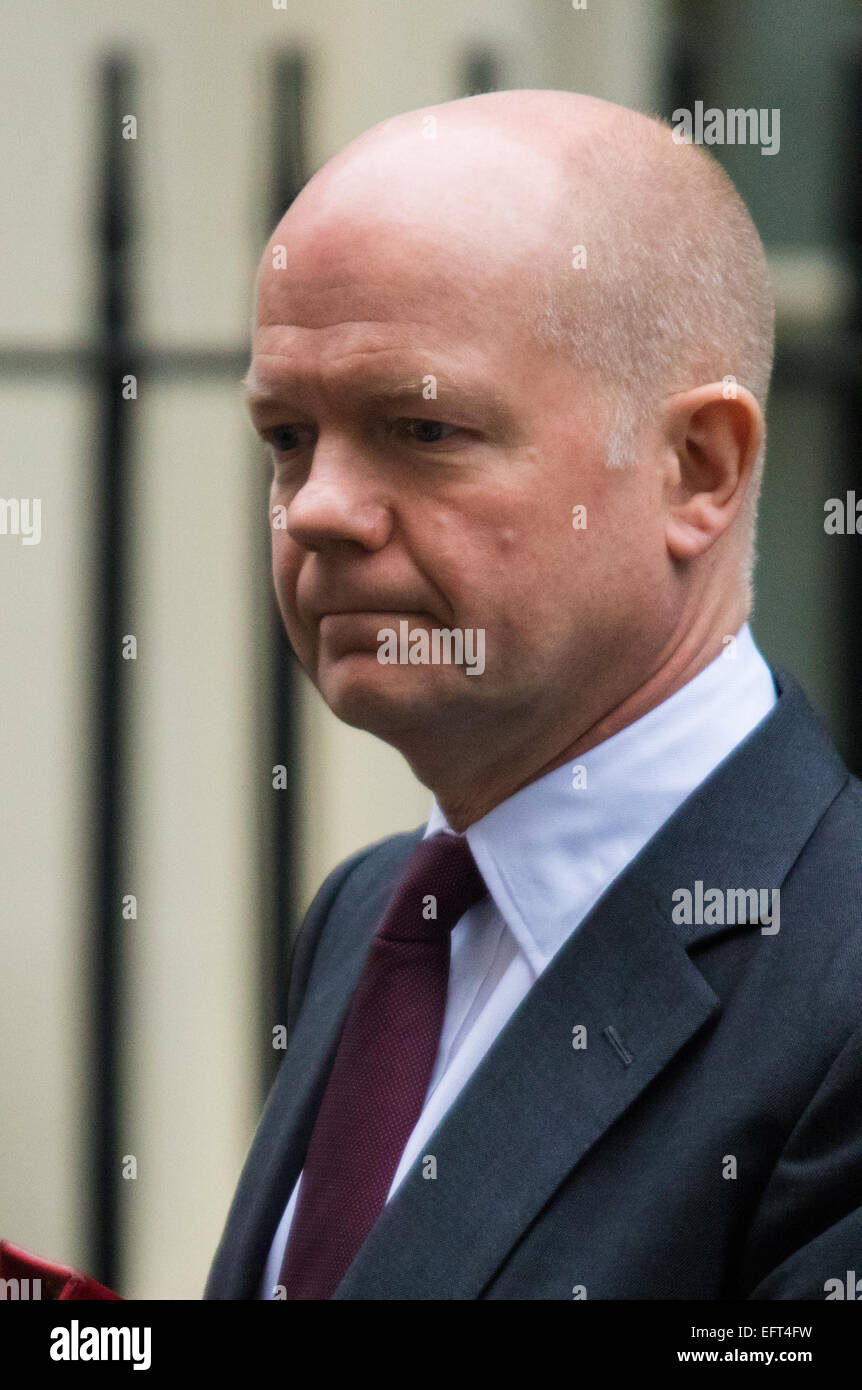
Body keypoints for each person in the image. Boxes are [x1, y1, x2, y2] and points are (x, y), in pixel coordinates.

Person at [205, 90, 862, 1300]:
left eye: (420, 427)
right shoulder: (376, 911)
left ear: (696, 469)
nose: (318, 508)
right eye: (287, 437)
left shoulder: (834, 971)